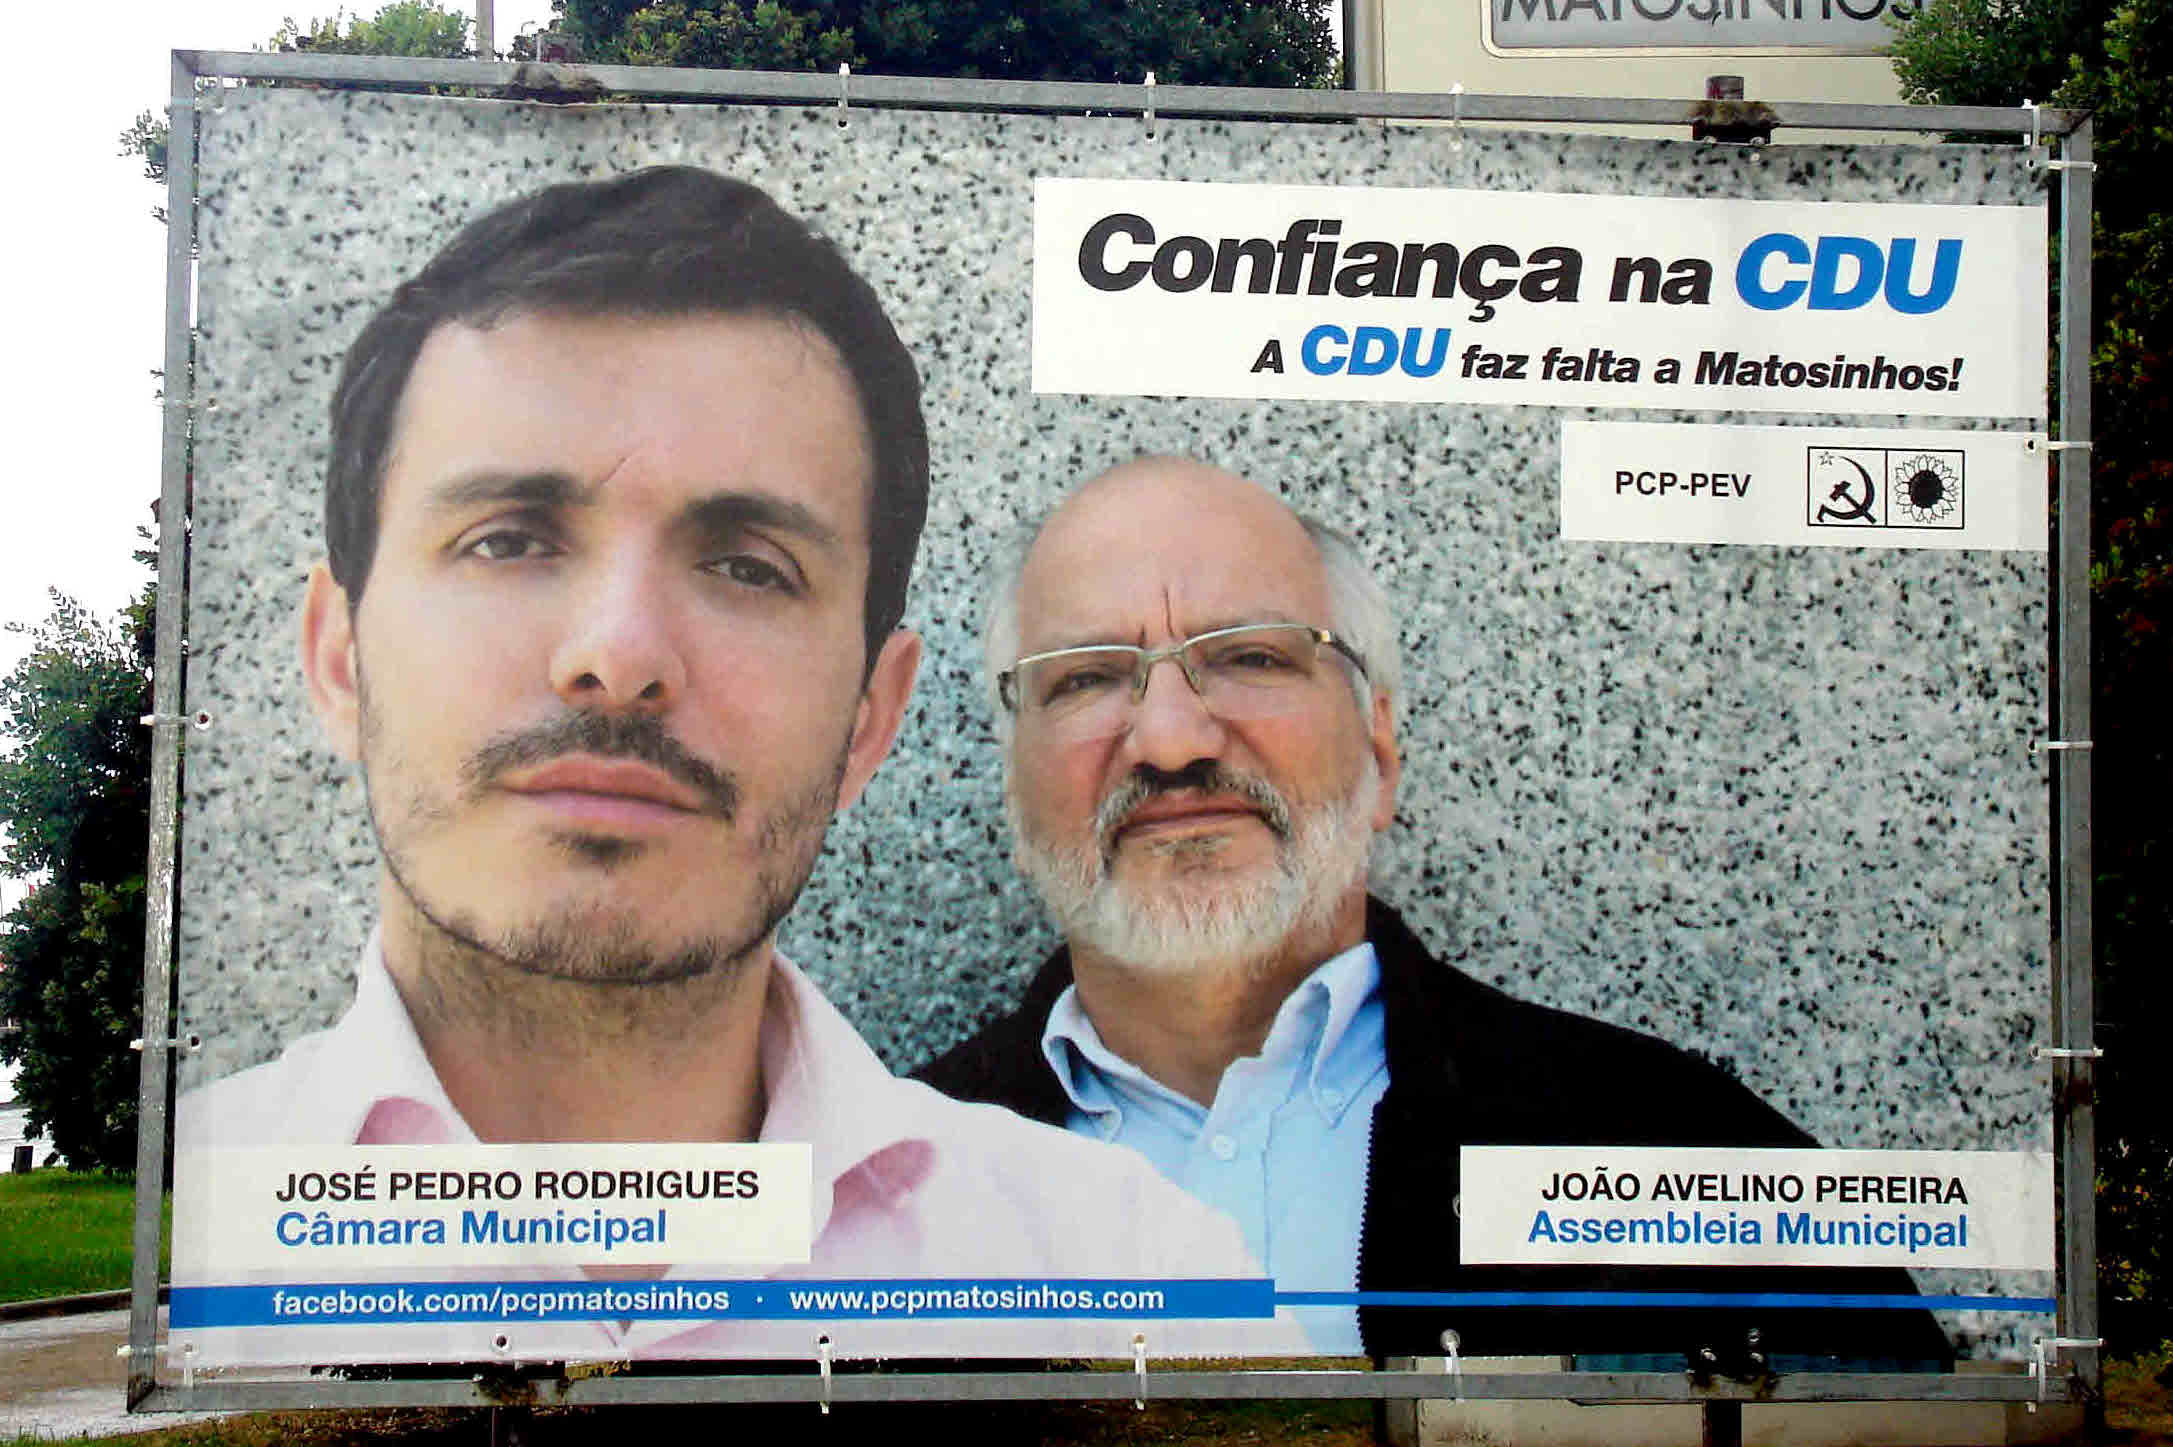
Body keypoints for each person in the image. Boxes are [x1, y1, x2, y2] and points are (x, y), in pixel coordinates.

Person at [172, 173, 1292, 1366]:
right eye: (508, 539)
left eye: (749, 566)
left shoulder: (1134, 1280)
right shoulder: (182, 1242)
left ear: (870, 717)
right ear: (338, 656)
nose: (618, 657)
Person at [918, 456, 1954, 1365]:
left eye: (1251, 655)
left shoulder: (1688, 1160)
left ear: (1378, 746)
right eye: (1087, 678)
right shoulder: (862, 1188)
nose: (1172, 739)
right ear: (1014, 787)